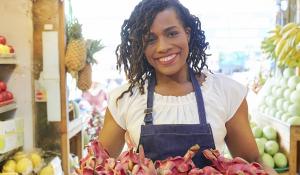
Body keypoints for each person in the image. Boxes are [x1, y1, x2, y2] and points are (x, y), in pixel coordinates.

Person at [99, 0, 277, 173]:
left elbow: (252, 162)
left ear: (188, 33)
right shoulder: (124, 99)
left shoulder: (226, 92)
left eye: (171, 33)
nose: (163, 47)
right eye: (150, 39)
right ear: (141, 47)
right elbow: (98, 166)